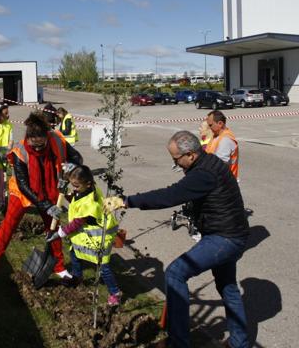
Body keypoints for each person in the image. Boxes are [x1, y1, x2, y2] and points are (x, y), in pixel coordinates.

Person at [104, 130, 250, 348]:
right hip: (233, 233)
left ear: (190, 155)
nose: (176, 164)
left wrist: (127, 201)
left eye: (176, 159)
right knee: (227, 287)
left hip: (225, 238)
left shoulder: (203, 174)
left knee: (175, 273)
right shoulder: (208, 163)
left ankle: (178, 342)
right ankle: (240, 343)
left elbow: (169, 196)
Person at [0, 112, 83, 283]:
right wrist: (45, 205)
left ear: (46, 137)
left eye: (41, 146)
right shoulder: (20, 151)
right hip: (22, 194)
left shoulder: (56, 139)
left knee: (53, 227)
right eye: (33, 145)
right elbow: (24, 185)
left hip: (50, 191)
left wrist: (72, 166)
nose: (37, 149)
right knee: (8, 226)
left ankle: (59, 267)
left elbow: (76, 157)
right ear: (28, 138)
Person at [47, 165, 121, 305]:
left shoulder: (90, 202)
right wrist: (64, 187)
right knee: (75, 255)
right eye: (72, 185)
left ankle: (115, 293)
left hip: (100, 238)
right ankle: (77, 277)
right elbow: (75, 197)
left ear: (87, 184)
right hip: (86, 236)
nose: (74, 188)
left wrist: (59, 233)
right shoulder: (86, 188)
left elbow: (77, 223)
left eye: (76, 185)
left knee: (103, 266)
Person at [205, 110, 239, 179]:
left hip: (225, 183)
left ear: (220, 123)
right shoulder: (217, 136)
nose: (209, 128)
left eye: (210, 125)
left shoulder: (226, 140)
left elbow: (220, 164)